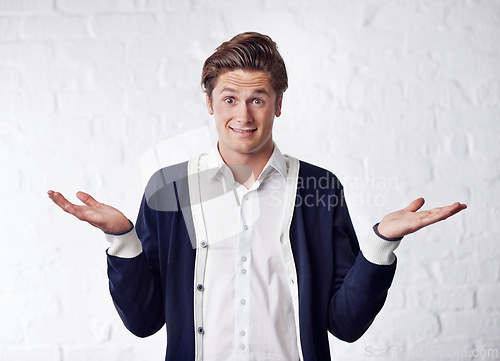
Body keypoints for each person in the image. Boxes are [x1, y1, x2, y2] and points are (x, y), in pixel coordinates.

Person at [48, 32, 466, 361]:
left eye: (258, 100)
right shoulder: (169, 189)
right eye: (229, 99)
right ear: (210, 103)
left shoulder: (319, 189)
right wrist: (123, 239)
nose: (243, 116)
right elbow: (144, 320)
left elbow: (345, 324)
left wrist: (380, 244)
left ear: (278, 104)